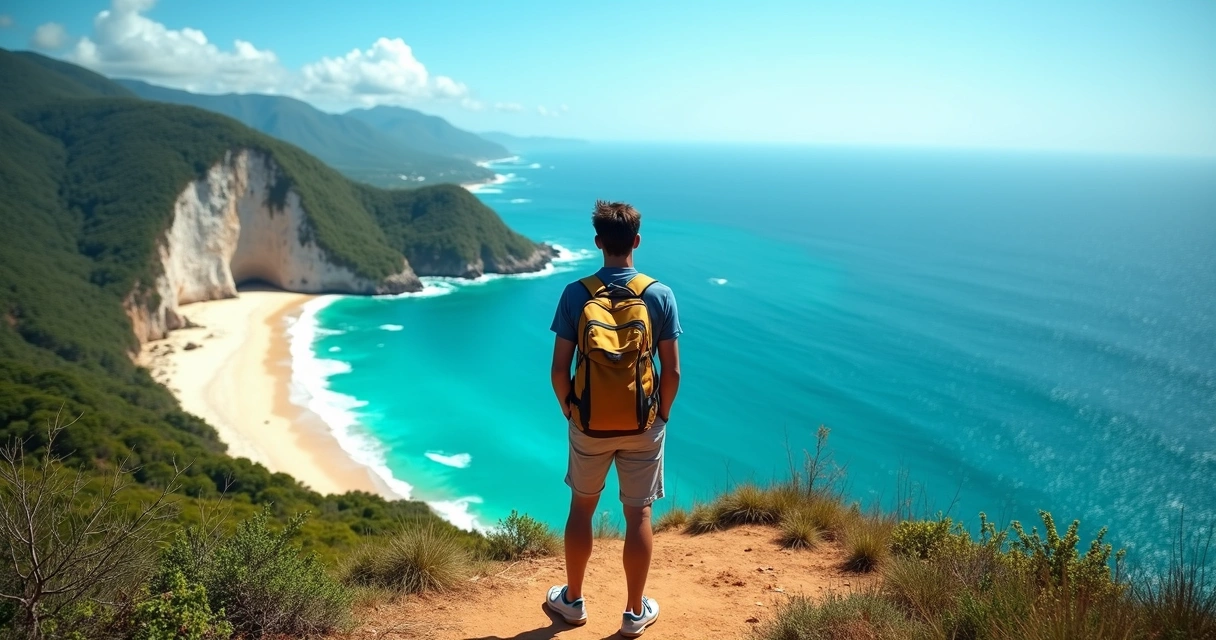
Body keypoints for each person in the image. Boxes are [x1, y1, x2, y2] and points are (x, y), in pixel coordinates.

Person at [545, 200, 682, 637]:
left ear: (598, 242)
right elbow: (672, 372)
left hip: (588, 422)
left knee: (582, 508)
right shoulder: (659, 295)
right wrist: (660, 416)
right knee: (638, 515)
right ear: (636, 241)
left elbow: (558, 370)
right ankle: (634, 612)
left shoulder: (576, 294)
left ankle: (572, 601)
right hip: (643, 424)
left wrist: (571, 409)